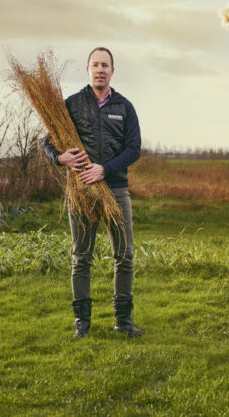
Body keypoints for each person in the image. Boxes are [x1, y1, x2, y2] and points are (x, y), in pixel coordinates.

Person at [43, 47, 142, 339]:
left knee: (124, 256)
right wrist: (59, 157)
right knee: (81, 257)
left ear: (112, 71)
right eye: (95, 65)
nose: (100, 70)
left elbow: (133, 149)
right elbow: (47, 141)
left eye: (105, 65)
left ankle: (123, 321)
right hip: (82, 191)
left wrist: (105, 169)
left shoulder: (124, 107)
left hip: (116, 189)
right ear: (88, 70)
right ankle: (82, 325)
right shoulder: (72, 104)